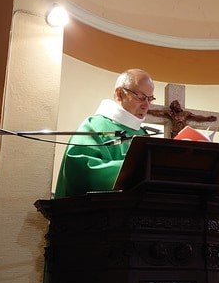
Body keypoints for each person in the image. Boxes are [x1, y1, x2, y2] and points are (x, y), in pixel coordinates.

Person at [55, 68, 156, 197]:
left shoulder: (143, 133)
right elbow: (81, 170)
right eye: (141, 98)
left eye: (150, 99)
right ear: (120, 94)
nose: (146, 105)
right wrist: (135, 171)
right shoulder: (94, 126)